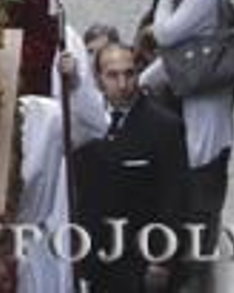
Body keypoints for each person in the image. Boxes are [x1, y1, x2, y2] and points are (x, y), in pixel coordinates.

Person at [140, 0, 234, 289]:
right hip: (185, 121)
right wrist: (139, 84)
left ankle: (198, 278)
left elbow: (165, 35)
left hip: (205, 126)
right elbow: (176, 60)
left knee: (200, 210)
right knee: (182, 207)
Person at [72, 43, 188, 293]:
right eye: (113, 75)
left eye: (129, 73)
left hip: (139, 257)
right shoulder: (86, 125)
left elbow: (174, 197)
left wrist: (161, 259)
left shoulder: (164, 126)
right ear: (98, 79)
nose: (123, 84)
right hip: (94, 256)